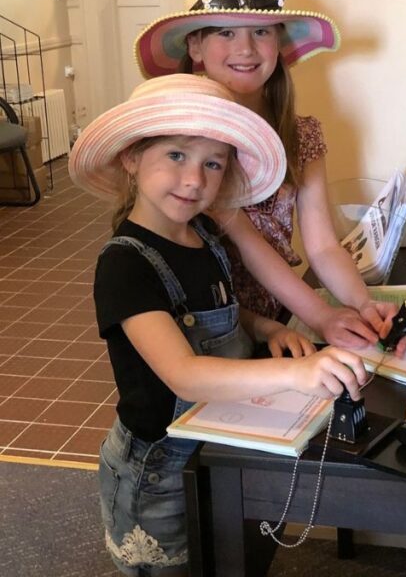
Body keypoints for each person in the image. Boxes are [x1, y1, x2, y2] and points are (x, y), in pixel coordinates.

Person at [69, 74, 370, 575]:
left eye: (213, 163)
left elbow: (214, 307)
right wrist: (299, 374)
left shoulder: (202, 233)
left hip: (215, 440)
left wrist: (264, 328)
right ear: (131, 158)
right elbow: (184, 373)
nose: (194, 180)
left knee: (224, 555)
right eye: (176, 156)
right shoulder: (125, 264)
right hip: (158, 470)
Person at [134, 0, 406, 355]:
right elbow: (246, 244)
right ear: (195, 46)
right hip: (205, 328)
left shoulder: (302, 135)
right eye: (226, 32)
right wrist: (321, 317)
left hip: (280, 313)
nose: (245, 49)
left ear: (278, 43)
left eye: (260, 31)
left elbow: (323, 246)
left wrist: (362, 304)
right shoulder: (196, 142)